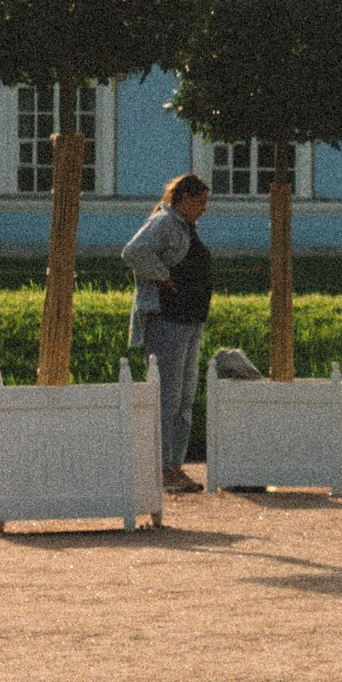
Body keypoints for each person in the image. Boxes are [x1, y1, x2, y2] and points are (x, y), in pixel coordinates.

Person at [122, 172, 212, 492]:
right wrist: (162, 277)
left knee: (184, 398)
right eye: (199, 202)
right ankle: (159, 468)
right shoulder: (164, 222)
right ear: (183, 199)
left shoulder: (186, 226)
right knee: (167, 397)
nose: (203, 208)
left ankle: (175, 464)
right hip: (168, 320)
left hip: (189, 321)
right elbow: (133, 251)